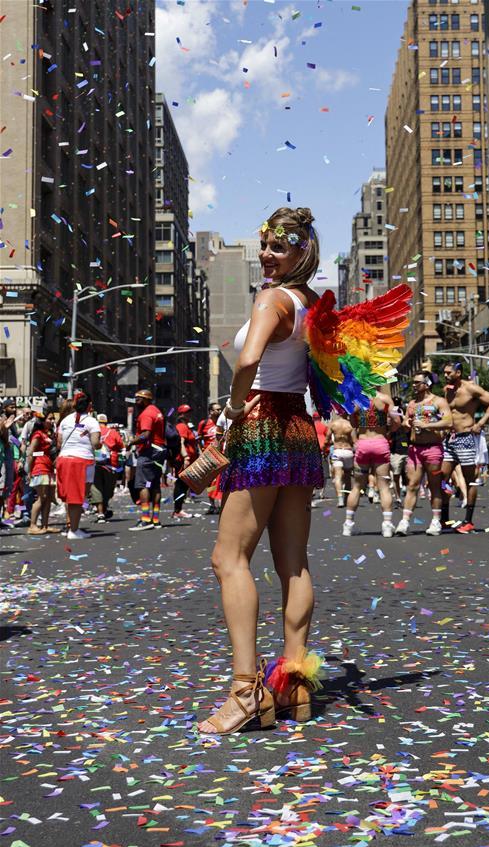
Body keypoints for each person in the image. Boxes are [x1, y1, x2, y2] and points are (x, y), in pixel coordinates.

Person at [197, 206, 324, 736]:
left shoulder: (272, 298)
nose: (268, 255)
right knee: (292, 563)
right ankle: (293, 687)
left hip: (263, 423)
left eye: (278, 247)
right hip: (298, 425)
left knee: (229, 558)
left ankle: (246, 691)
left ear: (300, 251)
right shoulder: (311, 302)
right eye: (266, 245)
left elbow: (248, 361)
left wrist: (229, 410)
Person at [441, 362, 489, 533]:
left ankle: (468, 521)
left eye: (448, 372)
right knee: (442, 479)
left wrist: (480, 423)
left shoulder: (471, 388)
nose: (445, 375)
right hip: (449, 439)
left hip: (466, 437)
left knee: (469, 480)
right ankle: (444, 519)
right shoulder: (447, 390)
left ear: (458, 373)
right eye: (444, 373)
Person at [396, 371, 452, 536]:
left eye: (417, 382)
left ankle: (435, 521)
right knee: (412, 485)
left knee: (434, 486)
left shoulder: (439, 401)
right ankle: (404, 522)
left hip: (433, 449)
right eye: (413, 382)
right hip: (414, 449)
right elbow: (406, 421)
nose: (413, 385)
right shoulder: (412, 403)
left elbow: (448, 421)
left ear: (426, 384)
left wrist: (427, 426)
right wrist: (406, 423)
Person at [343, 391, 401, 538]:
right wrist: (388, 430)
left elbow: (353, 423)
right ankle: (387, 526)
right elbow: (397, 422)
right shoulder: (385, 399)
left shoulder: (357, 398)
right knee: (383, 487)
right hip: (380, 442)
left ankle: (348, 525)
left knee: (356, 486)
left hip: (363, 443)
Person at [56, 391, 101, 539]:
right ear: (89, 406)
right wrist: (100, 444)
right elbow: (95, 444)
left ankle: (72, 526)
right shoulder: (92, 421)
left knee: (71, 496)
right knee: (78, 497)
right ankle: (73, 530)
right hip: (82, 461)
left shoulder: (64, 420)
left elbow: (59, 443)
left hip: (64, 459)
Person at [127, 389, 166, 531]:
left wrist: (131, 442)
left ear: (147, 400)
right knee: (154, 485)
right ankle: (155, 520)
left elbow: (145, 434)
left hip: (149, 452)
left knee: (143, 484)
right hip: (159, 451)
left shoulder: (146, 414)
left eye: (139, 399)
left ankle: (145, 519)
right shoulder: (156, 411)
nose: (136, 402)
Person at [26, 412, 60, 535]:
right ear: (42, 420)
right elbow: (31, 453)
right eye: (50, 419)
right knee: (41, 498)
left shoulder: (47, 434)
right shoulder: (37, 434)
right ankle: (32, 525)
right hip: (40, 468)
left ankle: (45, 525)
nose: (52, 421)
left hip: (49, 468)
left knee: (48, 498)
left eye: (53, 419)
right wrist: (29, 471)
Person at [91, 414, 124, 523]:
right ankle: (104, 509)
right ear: (106, 421)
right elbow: (121, 446)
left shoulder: (92, 431)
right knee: (108, 488)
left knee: (96, 487)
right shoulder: (113, 432)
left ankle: (100, 513)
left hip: (94, 463)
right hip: (111, 464)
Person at [172, 404, 198, 519]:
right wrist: (186, 457)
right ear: (181, 415)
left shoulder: (186, 426)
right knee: (181, 485)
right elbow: (181, 442)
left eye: (190, 412)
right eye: (187, 412)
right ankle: (178, 510)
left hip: (187, 460)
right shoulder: (182, 426)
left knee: (183, 485)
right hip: (183, 460)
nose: (190, 414)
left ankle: (178, 509)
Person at [198, 402, 224, 514]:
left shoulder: (223, 423)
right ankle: (212, 505)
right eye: (216, 410)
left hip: (221, 457)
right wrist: (201, 453)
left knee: (220, 481)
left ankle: (220, 504)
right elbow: (198, 440)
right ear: (210, 412)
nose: (218, 411)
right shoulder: (203, 424)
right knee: (209, 482)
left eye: (220, 409)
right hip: (207, 457)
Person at [326, 412, 355, 507]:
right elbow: (354, 441)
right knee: (347, 477)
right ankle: (347, 499)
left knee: (338, 476)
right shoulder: (350, 425)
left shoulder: (333, 424)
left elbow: (327, 440)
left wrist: (327, 445)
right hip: (348, 451)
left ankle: (340, 499)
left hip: (337, 452)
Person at [311, 412, 330, 506]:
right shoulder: (324, 426)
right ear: (320, 417)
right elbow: (328, 439)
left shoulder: (311, 426)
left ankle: (313, 490)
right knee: (325, 473)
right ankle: (322, 492)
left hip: (313, 449)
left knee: (313, 471)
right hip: (322, 450)